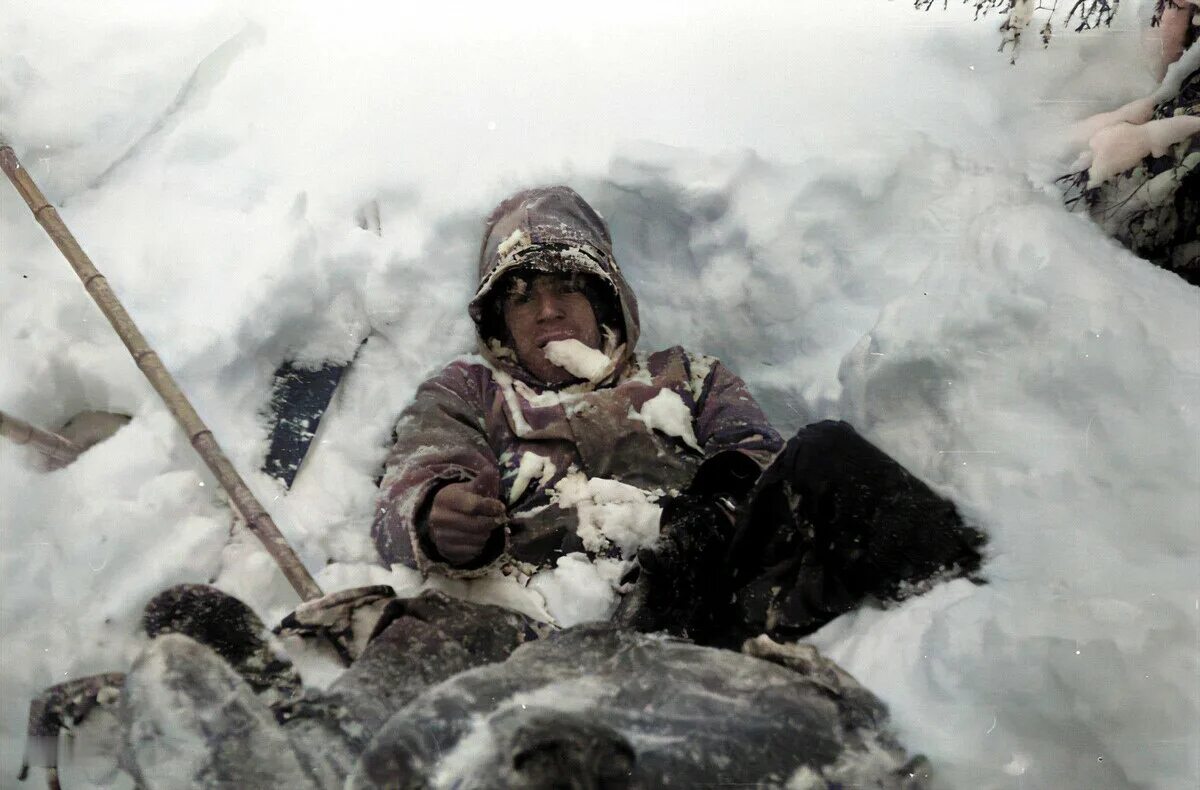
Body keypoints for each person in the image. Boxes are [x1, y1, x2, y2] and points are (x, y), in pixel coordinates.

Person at [372, 185, 986, 645]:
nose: (546, 311)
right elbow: (419, 473)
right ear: (499, 321)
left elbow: (758, 455)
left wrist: (707, 514)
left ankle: (968, 633)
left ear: (605, 296)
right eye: (521, 297)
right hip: (551, 618)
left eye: (565, 288)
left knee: (830, 455)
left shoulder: (686, 374)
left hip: (714, 587)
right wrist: (436, 516)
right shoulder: (470, 389)